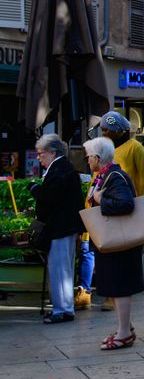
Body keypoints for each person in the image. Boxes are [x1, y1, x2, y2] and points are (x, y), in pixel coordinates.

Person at [78, 111, 144, 312]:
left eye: (108, 130)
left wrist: (143, 208)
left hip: (123, 207)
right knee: (95, 250)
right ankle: (88, 290)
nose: (105, 133)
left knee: (119, 251)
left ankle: (116, 294)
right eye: (103, 129)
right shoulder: (103, 150)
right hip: (102, 209)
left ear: (120, 131)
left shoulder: (135, 148)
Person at [84, 136, 143, 350]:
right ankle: (124, 327)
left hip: (120, 244)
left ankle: (125, 332)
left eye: (89, 157)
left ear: (98, 158)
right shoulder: (107, 175)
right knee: (115, 287)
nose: (87, 161)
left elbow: (125, 204)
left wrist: (100, 201)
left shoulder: (115, 176)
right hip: (114, 243)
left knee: (120, 287)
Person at [30, 134, 85, 324]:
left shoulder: (60, 170)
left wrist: (34, 189)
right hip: (65, 226)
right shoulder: (63, 168)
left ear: (53, 152)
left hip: (60, 227)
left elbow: (50, 198)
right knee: (64, 269)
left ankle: (62, 309)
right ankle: (64, 307)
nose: (39, 158)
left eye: (41, 154)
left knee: (60, 269)